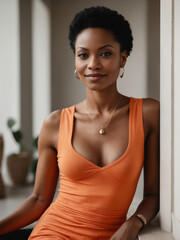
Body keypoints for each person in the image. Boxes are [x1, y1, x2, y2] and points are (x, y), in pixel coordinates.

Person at [0, 6, 159, 240]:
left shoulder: (148, 113)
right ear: (76, 60)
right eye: (83, 54)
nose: (92, 64)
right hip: (52, 232)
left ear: (122, 57)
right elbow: (39, 200)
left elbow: (154, 194)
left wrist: (134, 222)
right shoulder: (56, 123)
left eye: (105, 53)